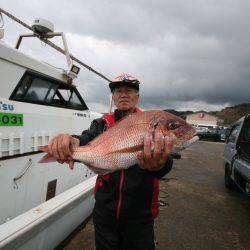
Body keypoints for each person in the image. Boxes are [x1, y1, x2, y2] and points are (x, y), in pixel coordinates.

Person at [48, 73, 173, 250]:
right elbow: (86, 139)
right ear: (113, 97)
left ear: (138, 96)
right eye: (118, 91)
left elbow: (166, 163)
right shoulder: (101, 124)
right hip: (105, 213)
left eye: (129, 90)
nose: (123, 94)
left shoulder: (150, 123)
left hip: (140, 215)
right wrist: (72, 140)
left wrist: (160, 165)